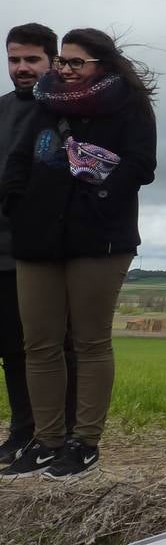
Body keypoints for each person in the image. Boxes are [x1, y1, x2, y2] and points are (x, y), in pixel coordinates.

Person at [0, 28, 157, 480]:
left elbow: (141, 166)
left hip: (100, 239)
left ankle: (84, 443)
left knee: (89, 342)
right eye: (62, 62)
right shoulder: (46, 102)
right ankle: (47, 442)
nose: (64, 69)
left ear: (101, 65)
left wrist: (98, 199)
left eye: (75, 62)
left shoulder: (129, 105)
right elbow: (19, 161)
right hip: (38, 239)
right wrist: (18, 205)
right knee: (38, 345)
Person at [0, 24, 80, 466]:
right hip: (5, 250)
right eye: (14, 59)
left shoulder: (69, 109)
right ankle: (22, 432)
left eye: (31, 59)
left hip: (51, 250)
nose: (21, 68)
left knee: (56, 347)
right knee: (12, 349)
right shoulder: (1, 110)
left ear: (52, 61)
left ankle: (62, 436)